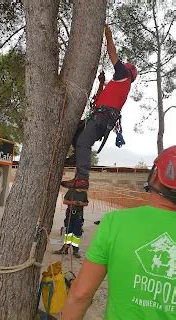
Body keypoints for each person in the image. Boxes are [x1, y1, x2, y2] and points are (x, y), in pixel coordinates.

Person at [61, 146, 176, 319]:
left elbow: (81, 294)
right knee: (70, 235)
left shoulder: (115, 223)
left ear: (154, 176)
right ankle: (66, 246)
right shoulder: (72, 192)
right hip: (71, 216)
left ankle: (74, 249)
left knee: (75, 235)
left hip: (78, 218)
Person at [61, 25, 137, 190]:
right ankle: (77, 157)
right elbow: (99, 99)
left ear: (127, 71)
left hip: (101, 119)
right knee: (75, 133)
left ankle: (82, 179)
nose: (121, 66)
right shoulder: (119, 85)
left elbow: (112, 53)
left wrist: (108, 36)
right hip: (101, 117)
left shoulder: (124, 75)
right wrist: (102, 83)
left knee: (83, 142)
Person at [54, 188, 88, 258]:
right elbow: (65, 201)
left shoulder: (84, 193)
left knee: (77, 233)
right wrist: (73, 202)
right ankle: (65, 248)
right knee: (68, 231)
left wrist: (81, 204)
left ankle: (75, 250)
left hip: (79, 215)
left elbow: (86, 203)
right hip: (70, 214)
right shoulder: (71, 191)